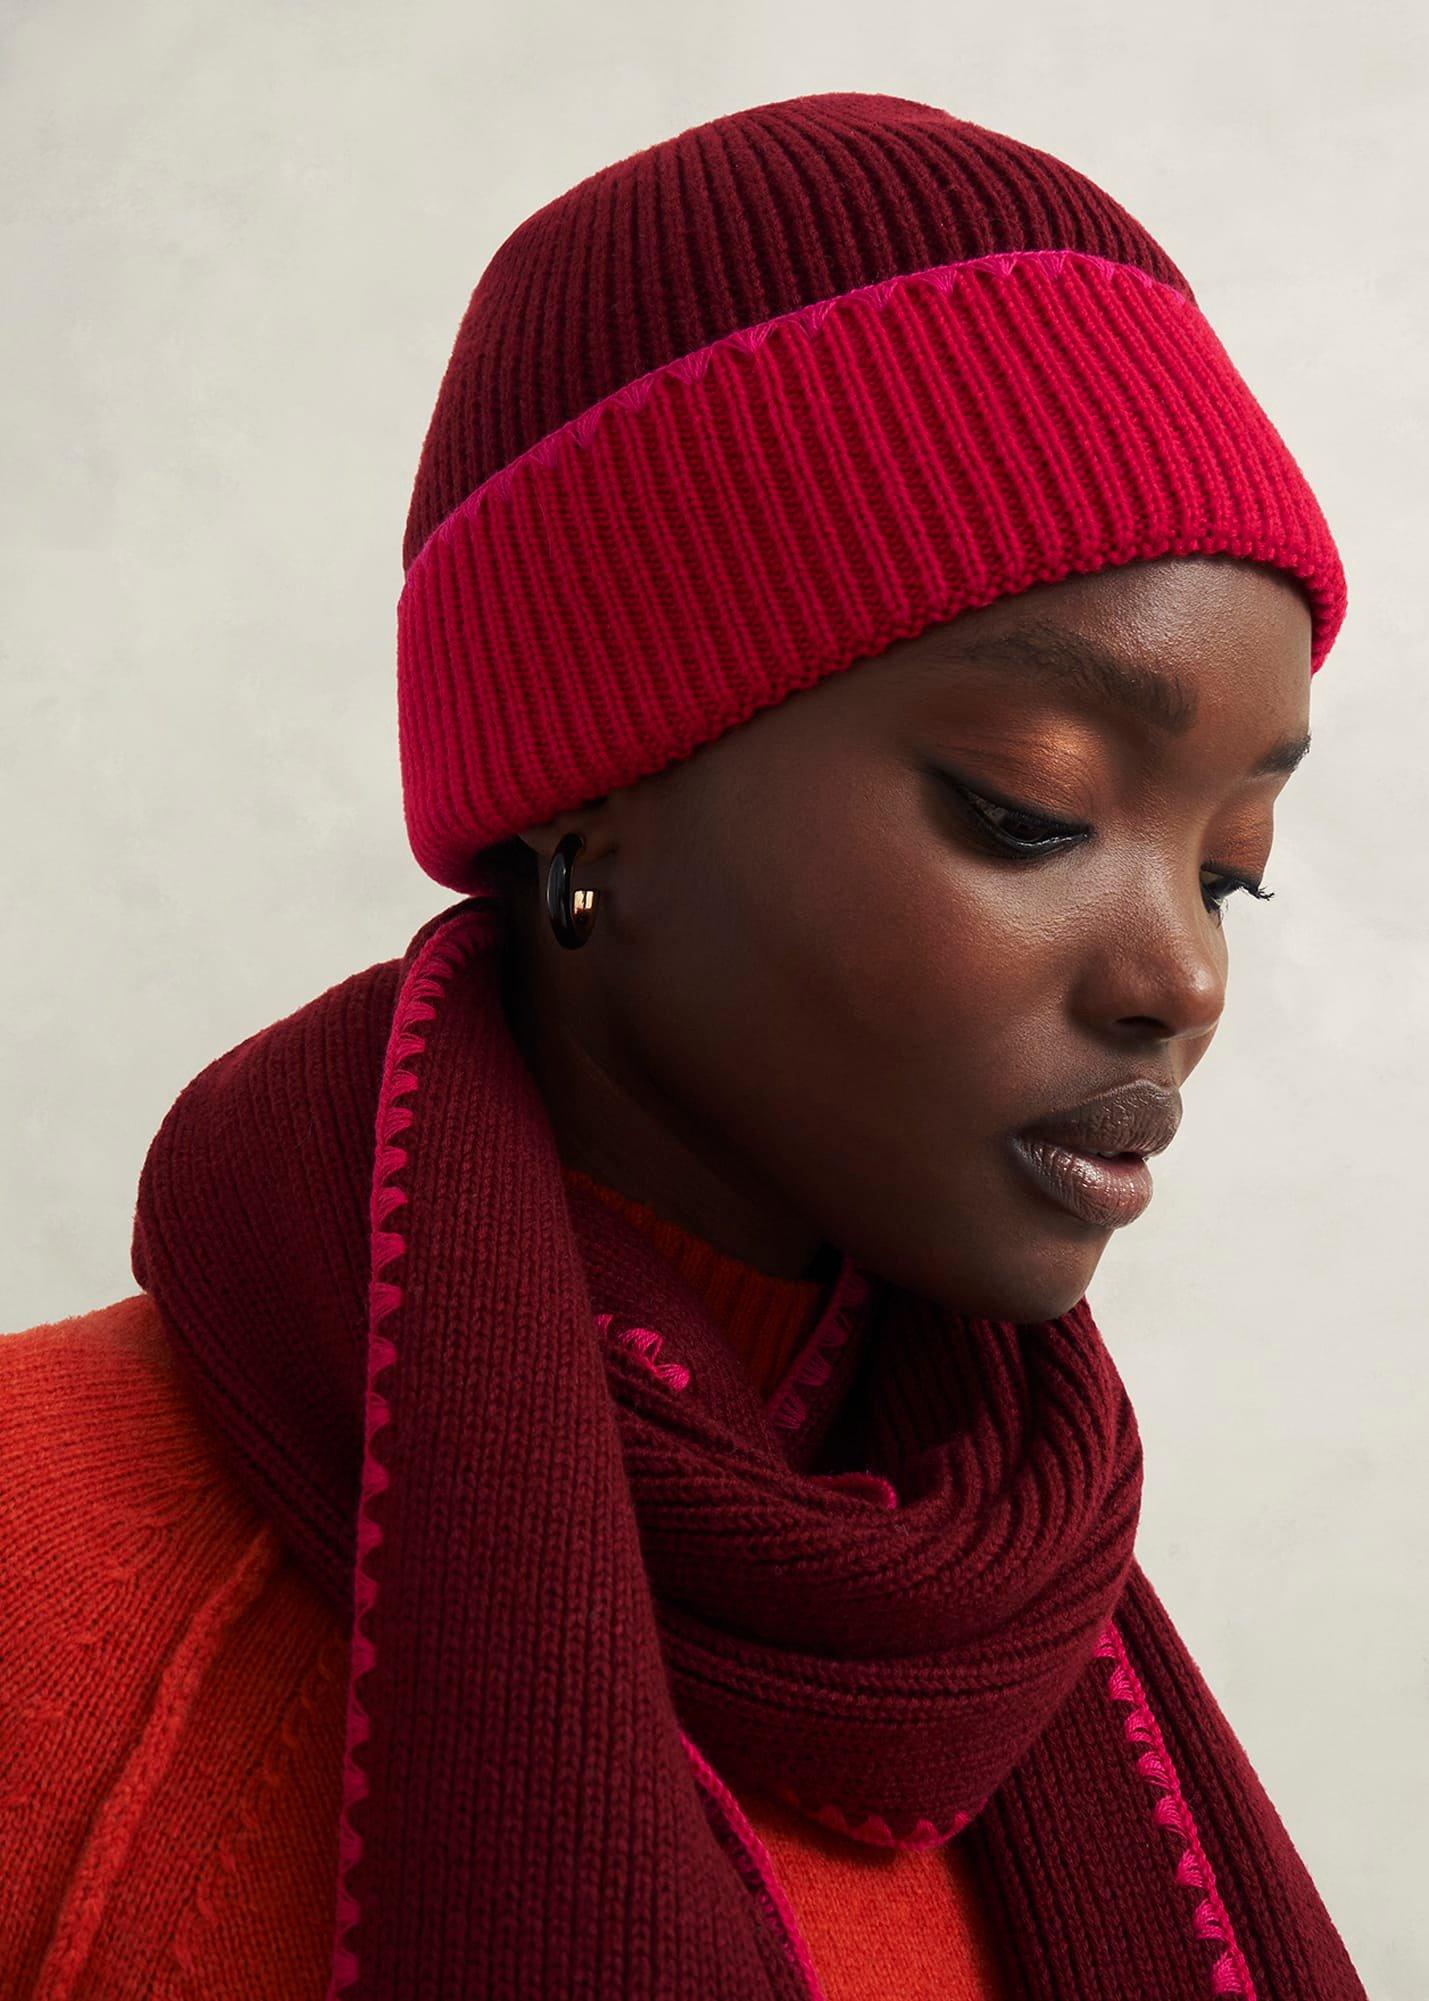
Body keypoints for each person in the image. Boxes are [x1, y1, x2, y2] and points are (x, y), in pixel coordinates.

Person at [0, 90, 1368, 2001]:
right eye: (1028, 810)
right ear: (599, 789)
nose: (1178, 978)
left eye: (1233, 871)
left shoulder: (995, 1622)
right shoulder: (43, 1576)